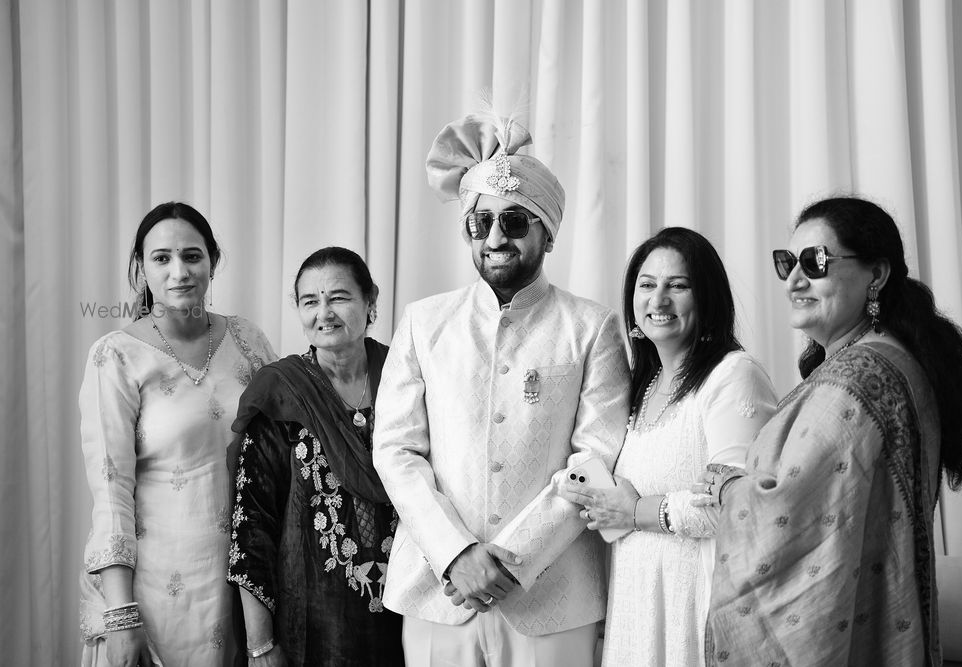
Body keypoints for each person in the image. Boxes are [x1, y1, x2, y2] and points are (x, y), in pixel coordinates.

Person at [371, 112, 632, 667]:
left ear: (547, 233)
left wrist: (514, 558)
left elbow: (596, 457)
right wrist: (456, 554)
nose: (494, 238)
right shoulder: (423, 322)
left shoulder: (591, 328)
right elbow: (396, 450)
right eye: (480, 222)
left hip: (554, 597)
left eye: (513, 221)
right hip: (440, 591)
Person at [699, 196, 962, 666]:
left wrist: (728, 487)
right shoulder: (894, 360)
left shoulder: (855, 381)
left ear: (877, 275)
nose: (794, 279)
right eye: (787, 262)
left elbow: (786, 512)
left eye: (815, 262)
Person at [557, 227, 778, 666]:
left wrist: (636, 510)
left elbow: (741, 506)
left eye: (677, 285)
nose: (658, 300)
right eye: (647, 285)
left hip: (699, 609)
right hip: (636, 612)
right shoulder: (640, 387)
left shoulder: (733, 377)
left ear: (707, 297)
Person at [79, 202, 277, 666]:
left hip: (244, 585)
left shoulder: (248, 340)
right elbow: (111, 491)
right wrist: (121, 616)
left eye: (192, 256)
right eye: (161, 258)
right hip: (154, 595)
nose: (179, 271)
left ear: (213, 260)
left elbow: (280, 459)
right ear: (141, 267)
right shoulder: (116, 356)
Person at [226, 247, 404, 666]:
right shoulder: (281, 394)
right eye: (310, 301)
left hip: (408, 615)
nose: (324, 313)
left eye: (338, 297)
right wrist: (260, 645)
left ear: (371, 300)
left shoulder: (406, 376)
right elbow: (252, 525)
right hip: (311, 627)